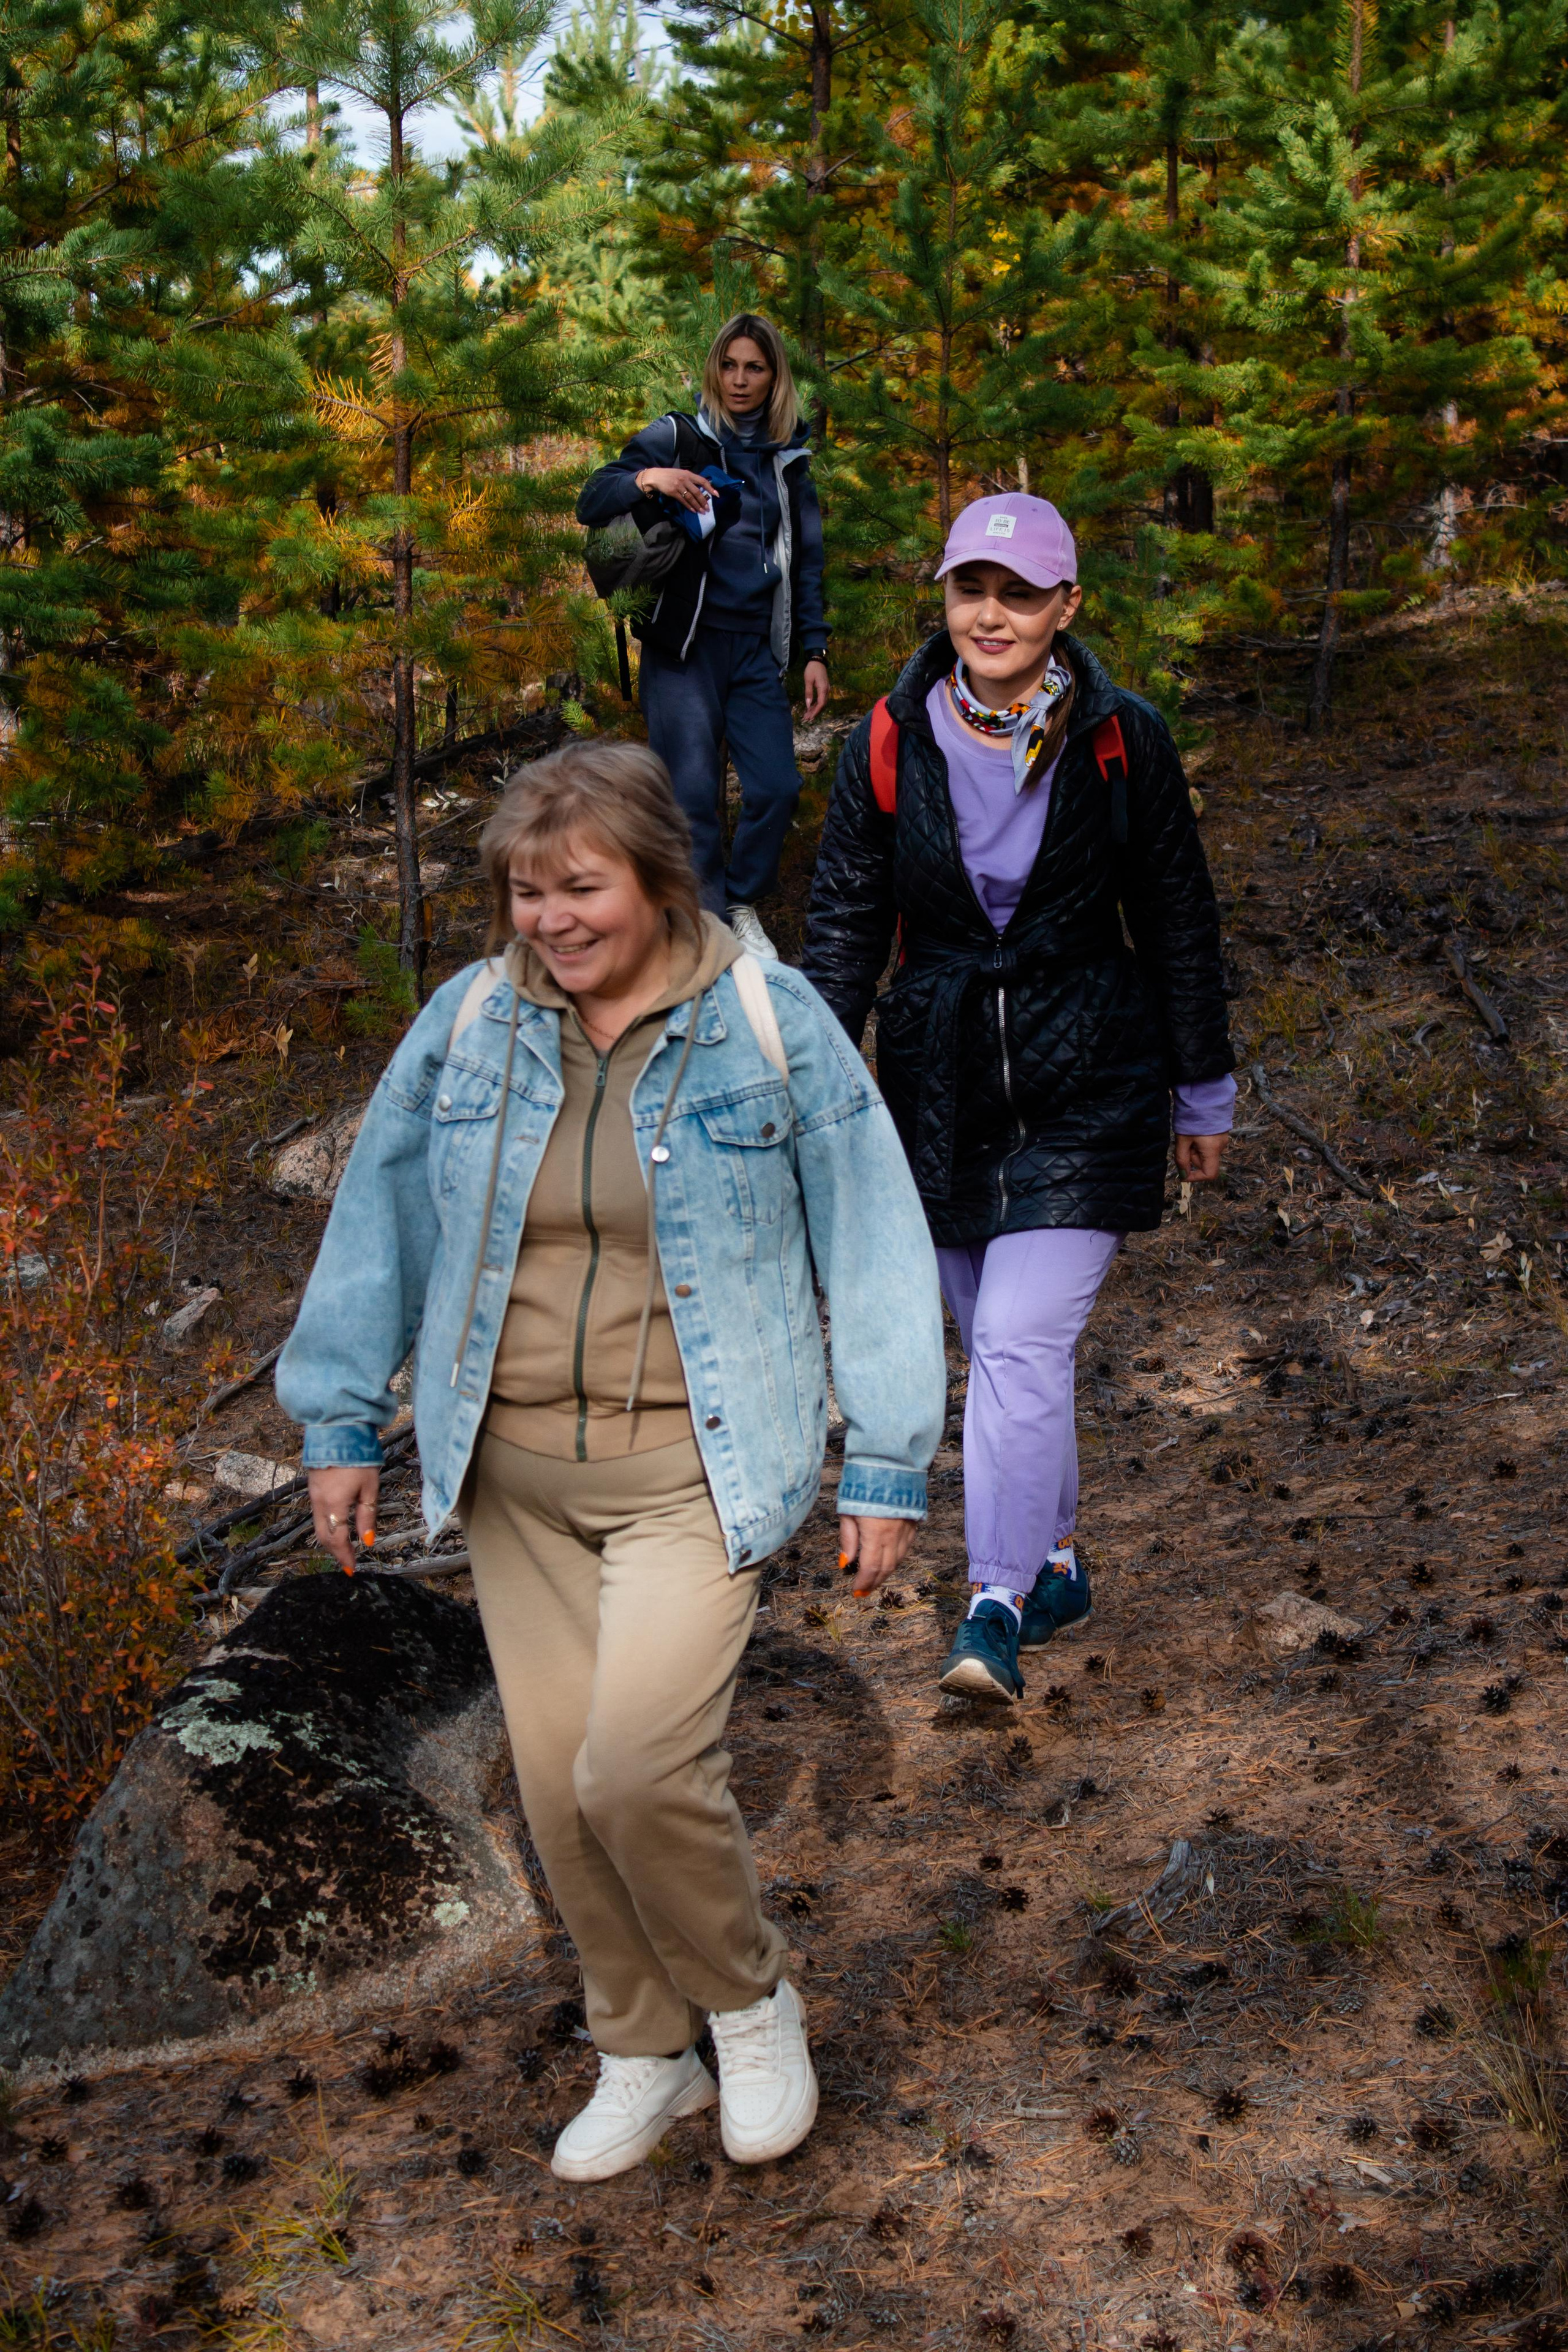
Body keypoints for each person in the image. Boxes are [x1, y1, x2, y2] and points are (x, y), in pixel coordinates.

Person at [276, 740, 944, 2181]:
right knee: (557, 1788)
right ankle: (642, 2048)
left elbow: (873, 1229)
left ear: (656, 879)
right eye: (527, 892)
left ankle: (749, 2004)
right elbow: (379, 1219)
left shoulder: (762, 1021)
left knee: (637, 1769)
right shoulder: (472, 1023)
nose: (551, 919)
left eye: (580, 888)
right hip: (509, 1476)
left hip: (691, 1470)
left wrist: (886, 1457)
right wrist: (338, 1419)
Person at [801, 493, 1235, 1705]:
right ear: (944, 598)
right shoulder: (888, 739)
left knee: (1014, 1341)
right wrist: (808, 1093)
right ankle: (1055, 1562)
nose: (990, 615)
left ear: (1065, 606)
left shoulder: (1121, 739)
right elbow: (843, 927)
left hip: (1090, 1078)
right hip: (938, 1090)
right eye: (969, 590)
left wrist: (1202, 1094)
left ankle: (991, 1601)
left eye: (1018, 593)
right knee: (999, 1354)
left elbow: (1177, 919)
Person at [576, 313, 829, 959]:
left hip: (754, 650)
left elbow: (807, 563)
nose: (740, 380)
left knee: (776, 787)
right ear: (715, 370)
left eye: (755, 367)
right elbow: (591, 498)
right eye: (729, 365)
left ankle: (740, 901)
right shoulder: (677, 435)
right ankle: (708, 925)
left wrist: (814, 650)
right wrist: (649, 478)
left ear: (774, 377)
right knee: (689, 796)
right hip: (683, 648)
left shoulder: (789, 461)